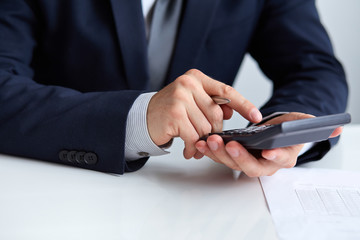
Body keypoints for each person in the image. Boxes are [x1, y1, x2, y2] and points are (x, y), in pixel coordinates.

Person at [0, 0, 347, 176]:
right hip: (57, 189)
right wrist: (135, 117)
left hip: (198, 201)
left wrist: (282, 129)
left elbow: (315, 68)